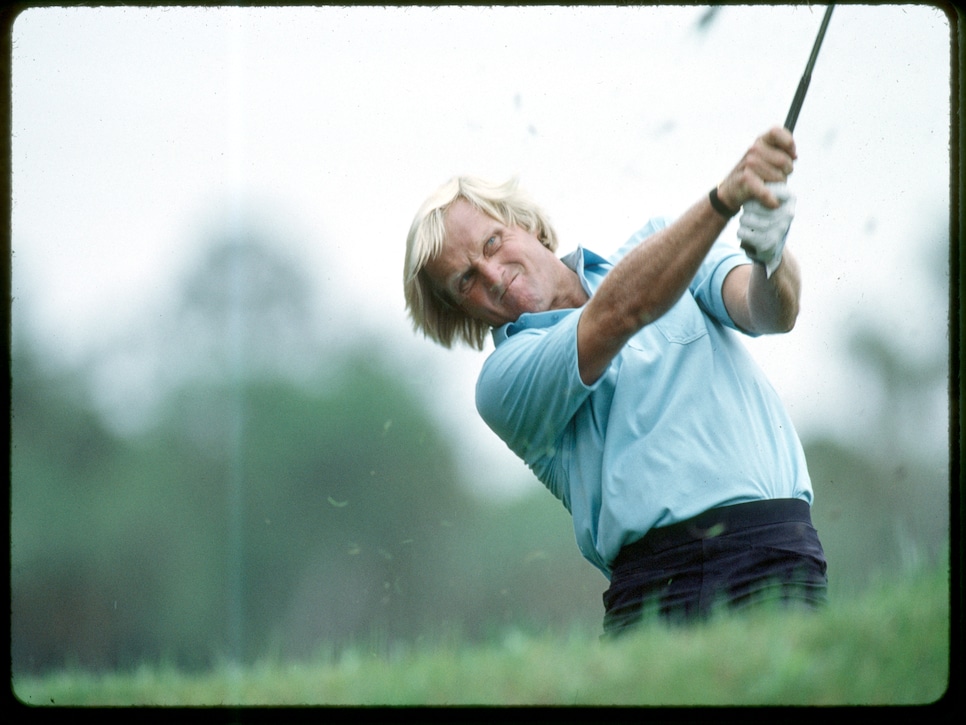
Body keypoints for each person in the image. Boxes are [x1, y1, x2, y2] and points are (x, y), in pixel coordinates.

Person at [403, 127, 828, 635]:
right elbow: (620, 313)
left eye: (493, 243)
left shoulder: (667, 246)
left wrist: (772, 257)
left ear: (529, 226)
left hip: (773, 548)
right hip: (653, 587)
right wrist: (723, 200)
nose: (492, 275)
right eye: (465, 281)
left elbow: (767, 312)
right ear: (459, 309)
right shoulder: (502, 381)